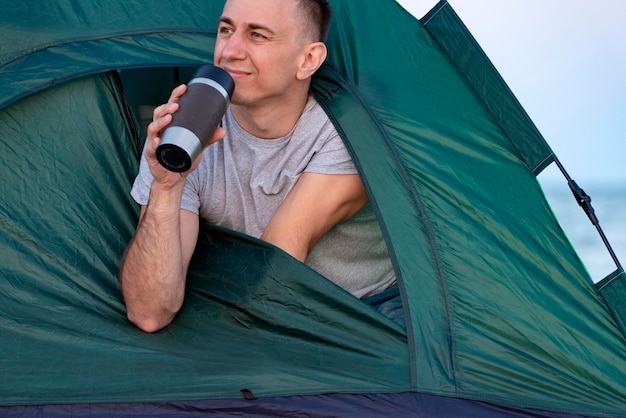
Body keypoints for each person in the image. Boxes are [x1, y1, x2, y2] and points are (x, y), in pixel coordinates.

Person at [119, 0, 399, 333]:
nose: (229, 51)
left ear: (308, 59)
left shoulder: (347, 134)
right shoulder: (185, 131)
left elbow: (273, 270)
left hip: (369, 310)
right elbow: (149, 312)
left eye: (257, 36)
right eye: (226, 30)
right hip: (251, 301)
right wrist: (166, 186)